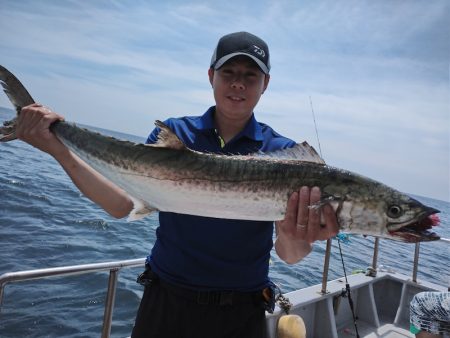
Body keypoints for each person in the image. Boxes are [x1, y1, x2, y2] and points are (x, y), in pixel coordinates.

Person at [15, 31, 339, 338]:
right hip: (165, 302)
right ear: (211, 76)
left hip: (240, 312)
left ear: (265, 83)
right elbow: (121, 205)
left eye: (250, 75)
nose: (238, 83)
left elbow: (290, 254)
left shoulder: (283, 155)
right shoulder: (175, 134)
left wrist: (298, 233)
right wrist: (58, 148)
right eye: (229, 73)